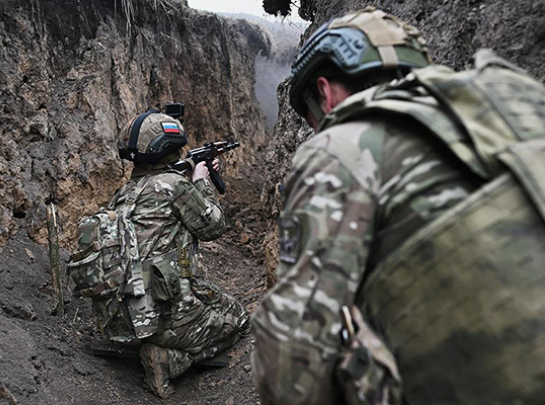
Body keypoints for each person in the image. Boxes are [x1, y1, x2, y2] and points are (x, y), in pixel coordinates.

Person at [251, 7, 545, 405]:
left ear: (325, 93)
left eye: (311, 116)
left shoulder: (343, 148)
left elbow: (292, 359)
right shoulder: (517, 100)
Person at [75, 110, 250, 399]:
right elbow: (214, 227)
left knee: (214, 302)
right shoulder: (174, 185)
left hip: (124, 317)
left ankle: (162, 343)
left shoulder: (125, 193)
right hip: (166, 315)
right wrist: (201, 181)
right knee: (240, 321)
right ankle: (169, 360)